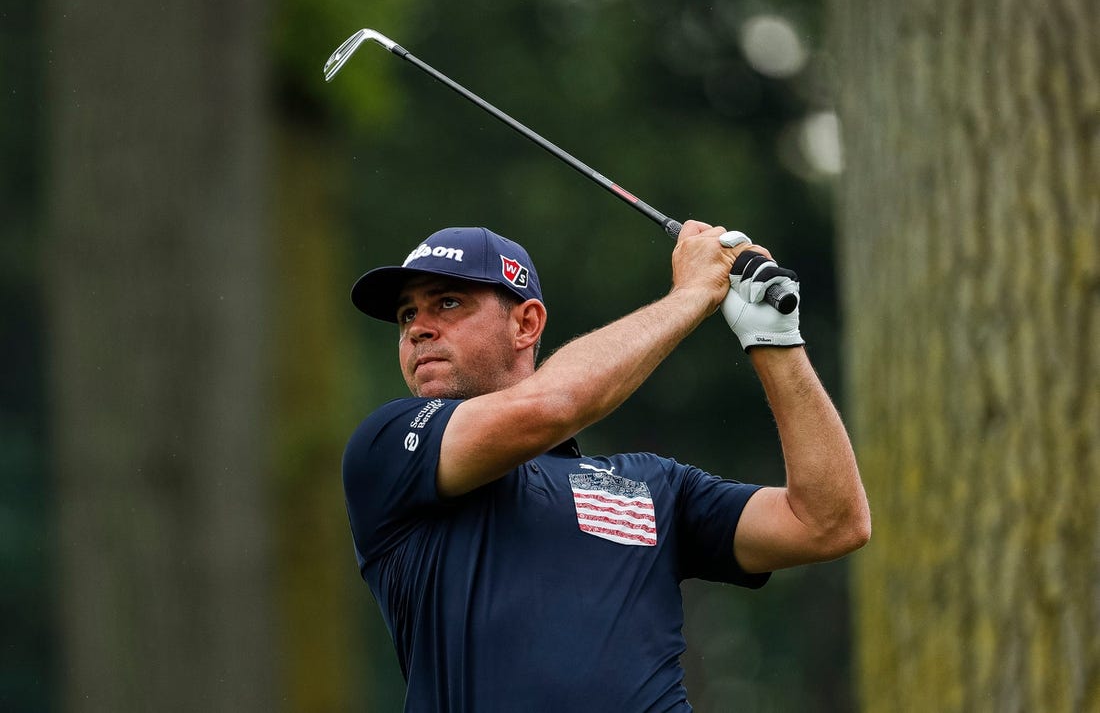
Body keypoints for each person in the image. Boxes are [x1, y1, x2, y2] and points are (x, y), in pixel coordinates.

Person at [342, 222, 870, 712]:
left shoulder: (652, 485)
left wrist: (776, 340)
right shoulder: (390, 446)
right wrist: (691, 295)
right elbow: (551, 407)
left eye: (448, 303)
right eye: (408, 314)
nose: (418, 330)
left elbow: (830, 521)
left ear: (526, 324)